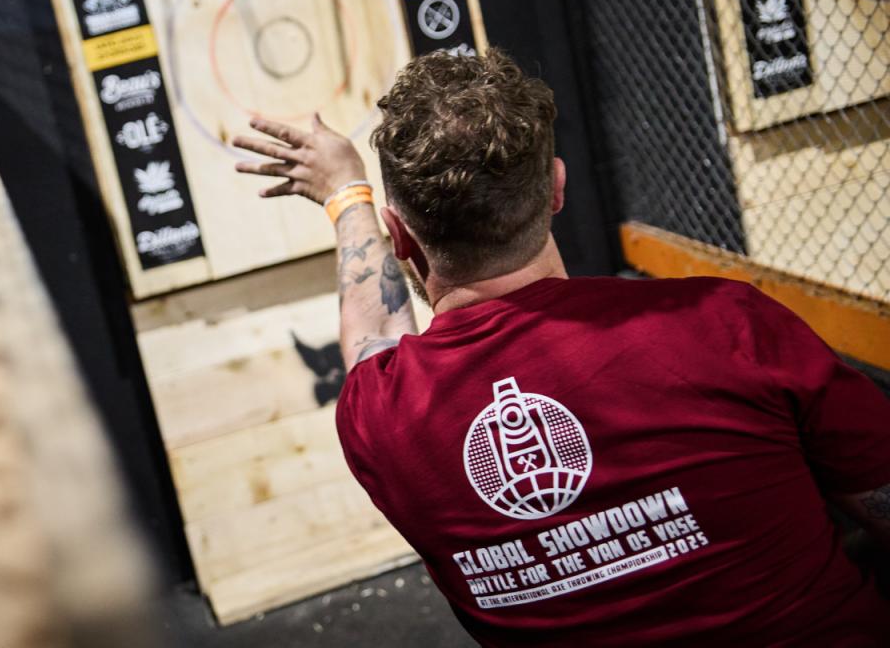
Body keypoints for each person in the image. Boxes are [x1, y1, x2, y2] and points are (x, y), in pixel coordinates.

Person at [232, 47, 890, 646]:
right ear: (556, 188)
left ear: (398, 235)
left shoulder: (381, 418)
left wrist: (346, 195)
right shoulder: (724, 324)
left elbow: (374, 332)